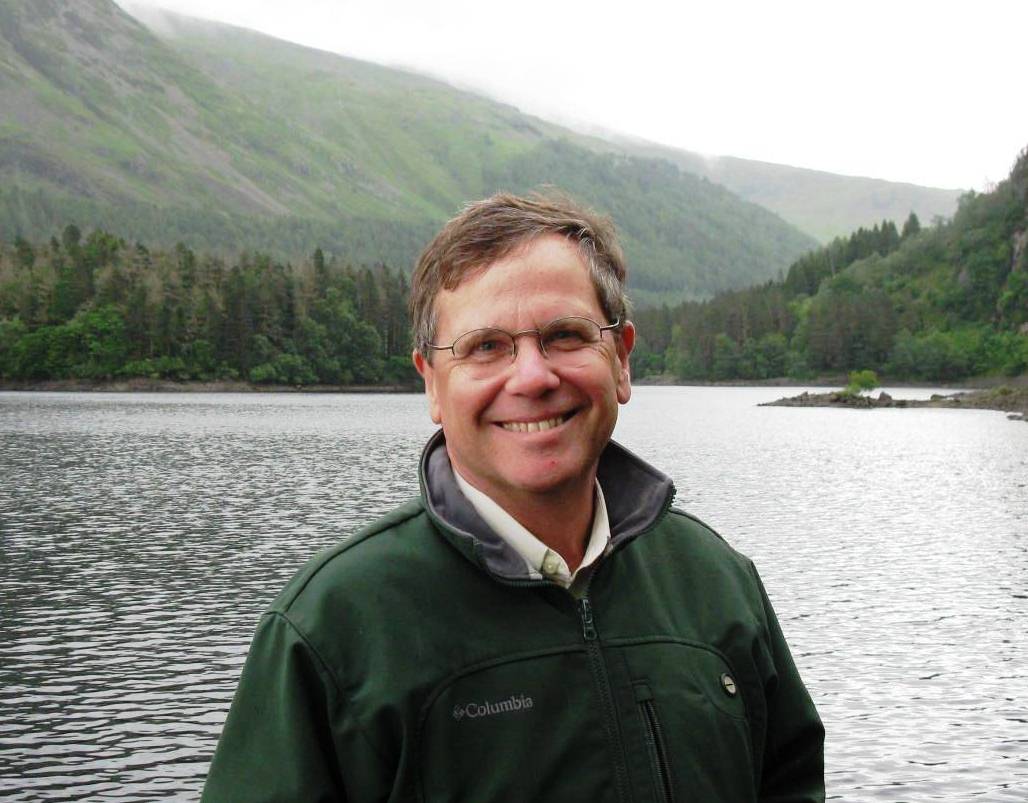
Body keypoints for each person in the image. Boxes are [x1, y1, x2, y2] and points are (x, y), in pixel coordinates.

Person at [202, 193, 825, 802]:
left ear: (621, 359)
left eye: (566, 335)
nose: (531, 377)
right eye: (485, 346)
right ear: (432, 384)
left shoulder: (717, 582)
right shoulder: (330, 626)